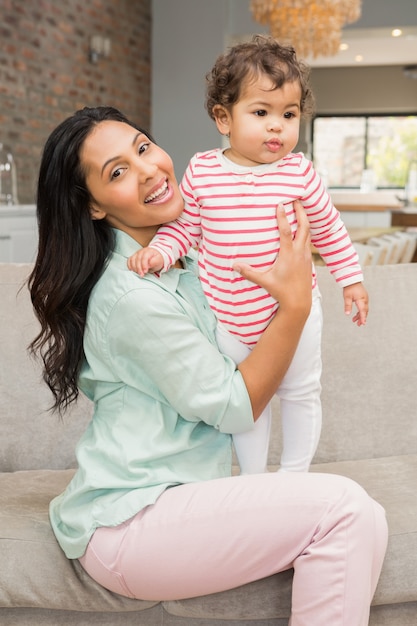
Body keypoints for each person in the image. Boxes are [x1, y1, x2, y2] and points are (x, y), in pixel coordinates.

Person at [28, 106, 387, 625]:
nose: (150, 169)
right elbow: (236, 406)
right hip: (132, 521)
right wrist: (296, 305)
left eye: (144, 147)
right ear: (94, 207)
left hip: (182, 501)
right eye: (118, 172)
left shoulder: (188, 257)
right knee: (344, 508)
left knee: (366, 518)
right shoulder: (132, 297)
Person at [128, 35, 369, 475]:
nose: (277, 126)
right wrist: (162, 250)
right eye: (261, 113)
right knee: (246, 401)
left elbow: (331, 228)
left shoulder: (300, 172)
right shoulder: (203, 169)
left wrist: (350, 279)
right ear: (224, 118)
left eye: (289, 114)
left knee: (300, 393)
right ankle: (254, 480)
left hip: (293, 313)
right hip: (231, 318)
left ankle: (294, 475)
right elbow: (186, 226)